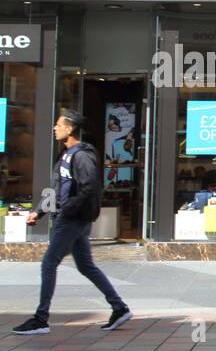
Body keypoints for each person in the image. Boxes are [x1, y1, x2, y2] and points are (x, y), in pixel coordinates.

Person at [13, 110, 131, 335]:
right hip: (71, 217)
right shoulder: (65, 154)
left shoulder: (81, 155)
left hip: (72, 219)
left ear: (70, 129)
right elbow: (56, 190)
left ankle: (40, 319)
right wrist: (38, 212)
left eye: (58, 125)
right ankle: (119, 307)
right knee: (86, 266)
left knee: (49, 263)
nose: (55, 128)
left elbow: (90, 188)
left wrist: (67, 211)